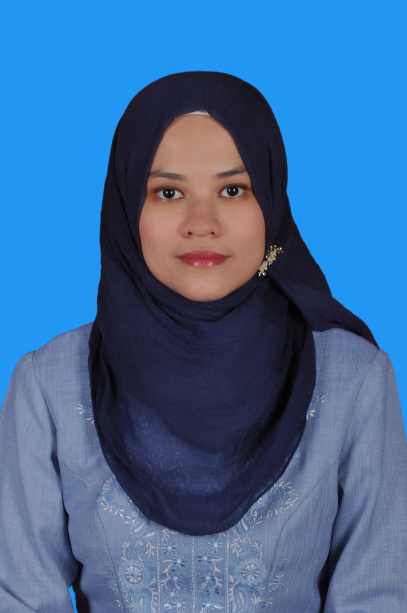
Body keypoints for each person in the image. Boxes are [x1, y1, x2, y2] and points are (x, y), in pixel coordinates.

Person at [0, 71, 406, 612]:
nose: (201, 223)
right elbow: (21, 600)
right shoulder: (48, 386)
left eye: (232, 189)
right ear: (126, 208)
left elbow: (377, 598)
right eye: (168, 192)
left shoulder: (354, 379)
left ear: (271, 206)